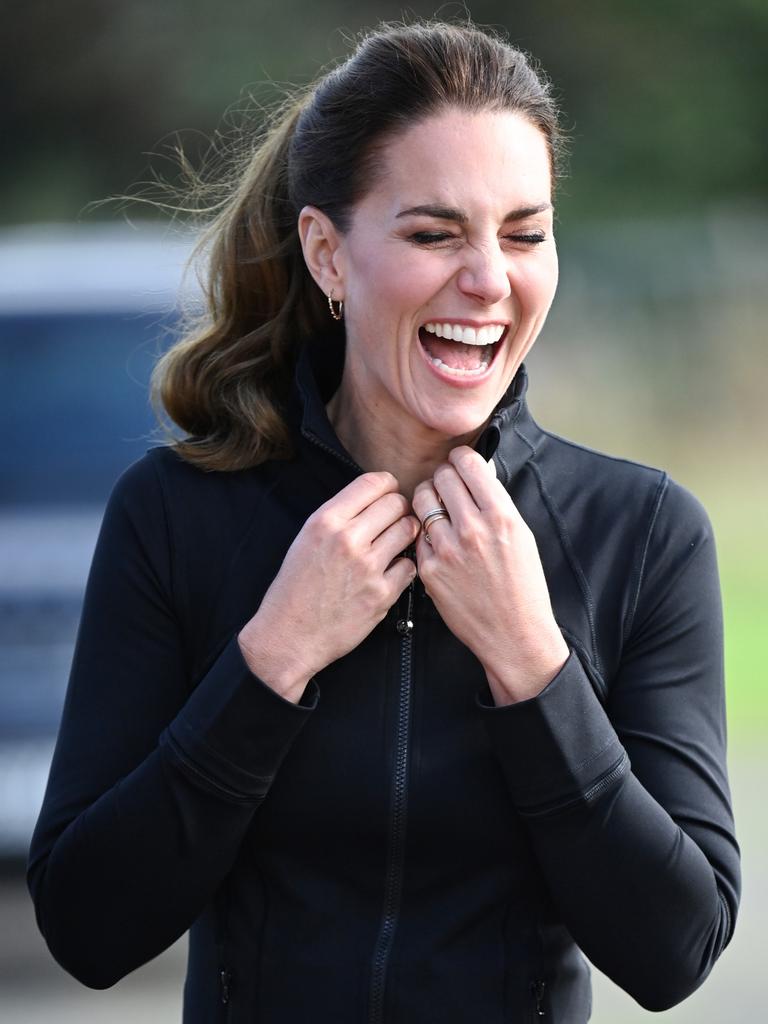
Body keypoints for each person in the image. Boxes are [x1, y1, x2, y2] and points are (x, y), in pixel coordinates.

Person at [28, 20, 740, 1024]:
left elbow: (676, 948)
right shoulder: (175, 515)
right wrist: (272, 658)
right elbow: (87, 925)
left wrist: (536, 669)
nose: (489, 278)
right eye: (434, 232)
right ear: (327, 252)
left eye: (524, 232)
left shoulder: (645, 534)